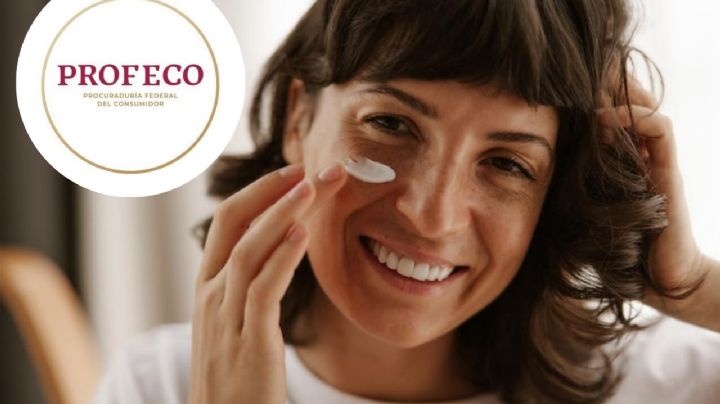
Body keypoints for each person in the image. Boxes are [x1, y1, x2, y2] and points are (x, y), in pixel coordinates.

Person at [93, 0, 720, 403]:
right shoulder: (163, 385)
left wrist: (692, 288)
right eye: (391, 125)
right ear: (298, 118)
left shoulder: (665, 384)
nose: (431, 215)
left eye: (507, 163)